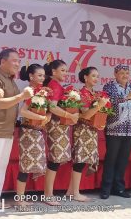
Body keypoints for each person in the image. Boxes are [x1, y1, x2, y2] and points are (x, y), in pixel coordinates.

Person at [0, 49, 33, 217]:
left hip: (6, 131)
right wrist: (22, 97)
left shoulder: (10, 80)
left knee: (0, 168)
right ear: (3, 62)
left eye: (19, 61)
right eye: (14, 61)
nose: (18, 64)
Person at [66, 67, 108, 201]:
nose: (96, 79)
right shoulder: (82, 93)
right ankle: (75, 193)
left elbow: (96, 115)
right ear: (85, 77)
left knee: (83, 160)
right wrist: (99, 106)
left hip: (92, 130)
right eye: (93, 76)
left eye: (97, 76)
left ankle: (70, 191)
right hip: (82, 129)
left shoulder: (95, 94)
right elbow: (85, 115)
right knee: (79, 160)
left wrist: (101, 122)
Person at [100, 64, 131, 199]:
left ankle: (119, 188)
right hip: (114, 129)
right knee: (111, 159)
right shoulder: (109, 87)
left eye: (127, 73)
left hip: (129, 130)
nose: (125, 75)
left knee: (123, 161)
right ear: (115, 74)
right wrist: (125, 98)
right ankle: (106, 189)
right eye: (122, 73)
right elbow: (108, 103)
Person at [43, 60, 79, 205]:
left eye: (66, 70)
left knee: (55, 160)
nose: (65, 73)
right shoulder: (55, 85)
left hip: (58, 125)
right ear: (53, 72)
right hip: (56, 126)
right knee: (54, 160)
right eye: (63, 70)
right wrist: (70, 115)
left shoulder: (53, 85)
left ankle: (49, 194)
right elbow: (52, 107)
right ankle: (48, 195)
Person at [16, 64, 52, 206]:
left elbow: (49, 110)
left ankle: (22, 198)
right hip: (27, 132)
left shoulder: (42, 92)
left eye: (43, 75)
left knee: (31, 164)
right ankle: (20, 200)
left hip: (37, 132)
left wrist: (48, 116)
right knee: (25, 165)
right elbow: (23, 112)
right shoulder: (29, 91)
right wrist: (42, 118)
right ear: (31, 76)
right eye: (39, 75)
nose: (42, 78)